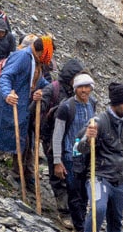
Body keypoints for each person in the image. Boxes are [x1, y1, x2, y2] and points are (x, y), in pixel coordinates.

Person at [77, 82, 123, 232]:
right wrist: (88, 138)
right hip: (99, 176)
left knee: (116, 220)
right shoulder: (98, 122)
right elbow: (79, 148)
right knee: (98, 209)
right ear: (116, 104)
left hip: (120, 180)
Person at [0, 35, 53, 185]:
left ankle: (26, 172)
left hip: (23, 105)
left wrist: (46, 89)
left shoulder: (36, 62)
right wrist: (7, 93)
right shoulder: (22, 57)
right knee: (18, 138)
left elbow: (39, 81)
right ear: (40, 52)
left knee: (25, 139)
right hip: (12, 102)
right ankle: (16, 173)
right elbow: (5, 76)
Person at [39, 58, 87, 225]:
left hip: (72, 141)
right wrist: (41, 135)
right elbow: (36, 112)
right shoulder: (52, 90)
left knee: (74, 178)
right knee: (58, 176)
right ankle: (64, 212)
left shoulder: (76, 92)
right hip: (52, 140)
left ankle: (76, 213)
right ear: (70, 76)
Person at [53, 72, 97, 231]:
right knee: (74, 191)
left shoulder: (92, 103)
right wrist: (57, 161)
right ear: (75, 88)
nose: (84, 90)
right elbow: (57, 134)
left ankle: (82, 221)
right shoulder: (66, 107)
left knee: (85, 192)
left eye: (87, 87)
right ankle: (79, 226)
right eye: (80, 87)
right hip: (70, 155)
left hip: (88, 156)